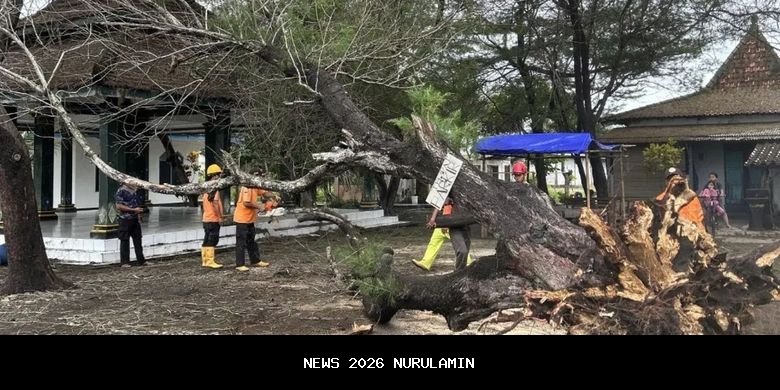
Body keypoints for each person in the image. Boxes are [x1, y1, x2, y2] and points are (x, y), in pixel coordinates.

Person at [412, 197, 473, 271]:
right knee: (434, 243)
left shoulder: (454, 200)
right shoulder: (446, 197)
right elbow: (439, 205)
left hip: (450, 223)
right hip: (443, 222)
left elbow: (446, 207)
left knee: (461, 247)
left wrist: (444, 224)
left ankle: (468, 262)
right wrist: (433, 219)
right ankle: (426, 262)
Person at [233, 167, 270, 271]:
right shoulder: (247, 186)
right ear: (253, 176)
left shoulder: (254, 185)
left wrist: (274, 196)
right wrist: (260, 206)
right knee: (241, 242)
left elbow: (264, 193)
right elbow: (247, 202)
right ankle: (240, 264)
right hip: (242, 219)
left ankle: (256, 260)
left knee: (251, 240)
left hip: (250, 219)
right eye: (258, 176)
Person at [115, 180, 146, 267]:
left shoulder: (135, 191)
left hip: (135, 219)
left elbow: (137, 204)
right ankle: (125, 262)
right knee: (125, 240)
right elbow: (119, 206)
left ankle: (141, 260)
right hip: (125, 219)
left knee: (138, 240)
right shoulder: (121, 191)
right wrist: (133, 210)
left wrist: (139, 214)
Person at [201, 164, 225, 269]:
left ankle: (205, 260)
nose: (219, 177)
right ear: (215, 175)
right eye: (219, 175)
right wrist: (220, 217)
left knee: (206, 239)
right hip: (213, 218)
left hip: (206, 218)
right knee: (212, 240)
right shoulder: (214, 188)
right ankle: (210, 261)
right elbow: (215, 204)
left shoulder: (205, 187)